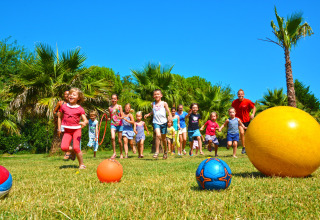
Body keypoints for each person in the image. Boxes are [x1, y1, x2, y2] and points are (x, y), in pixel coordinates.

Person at [58, 88, 88, 169]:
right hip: (67, 130)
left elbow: (85, 120)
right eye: (70, 94)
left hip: (76, 130)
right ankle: (73, 151)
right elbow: (59, 117)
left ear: (78, 98)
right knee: (63, 147)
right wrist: (59, 128)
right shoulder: (64, 106)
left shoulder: (80, 108)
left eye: (74, 95)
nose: (71, 96)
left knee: (76, 147)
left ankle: (81, 164)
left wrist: (84, 123)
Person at [144, 89, 172, 159]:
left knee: (164, 139)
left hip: (164, 122)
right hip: (156, 122)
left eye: (158, 94)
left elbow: (168, 111)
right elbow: (153, 111)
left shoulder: (164, 103)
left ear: (161, 95)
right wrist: (148, 114)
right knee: (158, 135)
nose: (157, 95)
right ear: (153, 96)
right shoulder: (152, 104)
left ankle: (165, 151)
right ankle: (157, 151)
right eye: (155, 94)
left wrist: (170, 117)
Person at [232, 89, 256, 154]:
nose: (240, 95)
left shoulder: (247, 101)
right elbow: (232, 110)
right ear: (237, 95)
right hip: (239, 120)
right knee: (242, 133)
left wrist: (253, 114)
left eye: (241, 94)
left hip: (247, 120)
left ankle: (250, 147)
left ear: (244, 95)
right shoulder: (234, 102)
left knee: (248, 134)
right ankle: (244, 147)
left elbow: (254, 107)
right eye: (239, 94)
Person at [53, 90, 72, 160]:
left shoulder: (72, 103)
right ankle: (68, 153)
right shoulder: (60, 103)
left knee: (70, 138)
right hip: (63, 123)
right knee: (65, 138)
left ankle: (69, 153)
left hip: (71, 123)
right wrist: (56, 114)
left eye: (68, 94)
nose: (66, 96)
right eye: (65, 94)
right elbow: (54, 111)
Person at [108, 94, 123, 159]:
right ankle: (114, 153)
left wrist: (119, 117)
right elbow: (110, 117)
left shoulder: (119, 106)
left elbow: (122, 116)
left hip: (119, 124)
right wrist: (107, 119)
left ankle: (121, 153)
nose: (113, 100)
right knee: (112, 138)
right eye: (112, 98)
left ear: (117, 99)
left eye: (115, 99)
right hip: (113, 124)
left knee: (119, 141)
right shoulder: (109, 108)